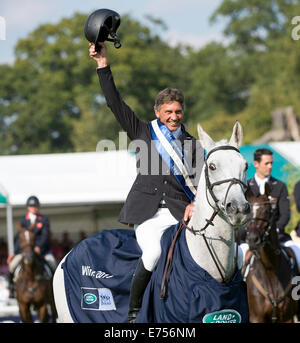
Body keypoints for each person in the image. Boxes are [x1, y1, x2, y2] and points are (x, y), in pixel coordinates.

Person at [89, 42, 203, 322]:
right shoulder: (142, 131)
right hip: (150, 216)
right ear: (158, 112)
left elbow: (203, 186)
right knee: (152, 253)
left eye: (178, 112)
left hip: (182, 217)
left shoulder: (193, 145)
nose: (174, 117)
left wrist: (196, 206)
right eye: (169, 112)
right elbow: (114, 101)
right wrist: (102, 64)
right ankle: (134, 311)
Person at [240, 148, 300, 269]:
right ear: (256, 164)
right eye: (266, 163)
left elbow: (285, 215)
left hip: (276, 236)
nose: (270, 166)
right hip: (249, 238)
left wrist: (273, 230)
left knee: (297, 253)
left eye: (271, 163)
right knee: (237, 259)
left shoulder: (280, 186)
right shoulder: (246, 187)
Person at [6, 195, 57, 298]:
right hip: (26, 251)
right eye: (31, 206)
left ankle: (54, 288)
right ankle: (11, 288)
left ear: (38, 207)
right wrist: (14, 253)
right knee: (12, 266)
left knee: (53, 264)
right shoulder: (23, 220)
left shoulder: (44, 219)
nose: (33, 208)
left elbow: (45, 235)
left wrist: (39, 247)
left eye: (35, 206)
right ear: (28, 207)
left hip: (42, 251)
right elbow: (19, 238)